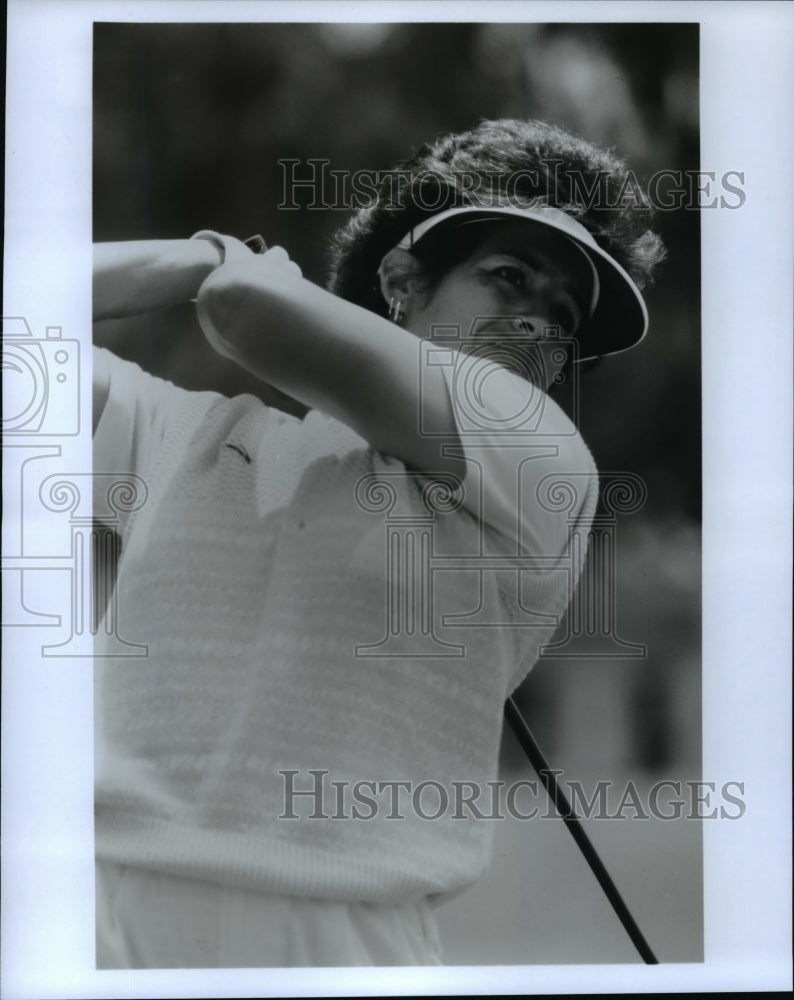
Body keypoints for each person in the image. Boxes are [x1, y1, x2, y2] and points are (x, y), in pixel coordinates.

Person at [92, 118, 665, 968]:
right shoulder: (182, 435)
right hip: (99, 932)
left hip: (346, 949)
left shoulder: (541, 450)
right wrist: (194, 254)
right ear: (401, 279)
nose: (541, 328)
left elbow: (246, 307)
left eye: (563, 319)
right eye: (510, 280)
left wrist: (225, 274)